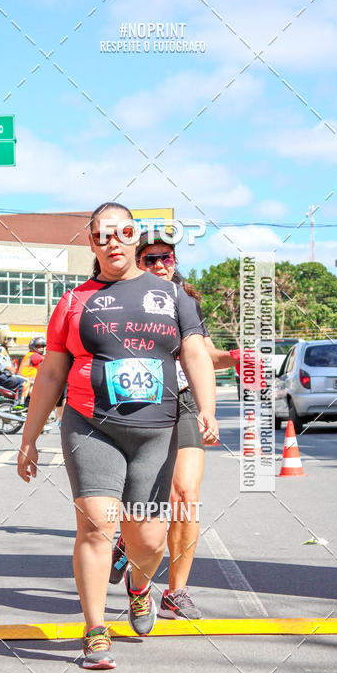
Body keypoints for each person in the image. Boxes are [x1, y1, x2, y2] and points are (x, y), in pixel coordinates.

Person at [17, 202, 218, 670]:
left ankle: (140, 585)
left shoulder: (172, 297)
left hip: (155, 432)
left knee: (147, 540)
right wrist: (29, 437)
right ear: (91, 243)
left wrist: (206, 409)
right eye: (102, 235)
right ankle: (94, 630)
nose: (113, 241)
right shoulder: (73, 302)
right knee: (96, 526)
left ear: (134, 238)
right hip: (90, 426)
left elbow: (194, 353)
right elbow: (50, 373)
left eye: (123, 232)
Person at [110, 227, 238, 619]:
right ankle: (130, 541)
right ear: (136, 260)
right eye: (151, 259)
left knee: (186, 494)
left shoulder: (185, 300)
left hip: (180, 401)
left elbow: (199, 355)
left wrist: (233, 358)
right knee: (143, 498)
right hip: (135, 401)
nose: (161, 265)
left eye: (168, 257)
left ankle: (175, 591)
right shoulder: (116, 295)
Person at [0, 328, 29, 407]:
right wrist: (12, 369)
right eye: (9, 339)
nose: (12, 341)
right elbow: (3, 365)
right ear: (3, 339)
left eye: (13, 339)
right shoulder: (1, 350)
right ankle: (18, 405)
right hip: (4, 377)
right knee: (25, 382)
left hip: (4, 376)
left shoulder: (4, 349)